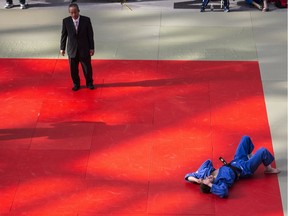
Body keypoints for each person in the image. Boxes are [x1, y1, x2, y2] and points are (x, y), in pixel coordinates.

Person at [184, 136, 280, 198]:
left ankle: (251, 157)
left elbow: (188, 176)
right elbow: (223, 192)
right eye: (208, 181)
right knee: (263, 151)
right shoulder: (221, 181)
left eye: (206, 178)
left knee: (245, 139)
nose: (208, 178)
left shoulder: (207, 173)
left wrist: (197, 180)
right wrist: (210, 184)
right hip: (245, 169)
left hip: (236, 160)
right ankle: (268, 169)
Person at [60, 3, 95, 91]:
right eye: (71, 13)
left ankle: (89, 83)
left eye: (75, 12)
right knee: (73, 70)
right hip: (72, 50)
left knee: (87, 68)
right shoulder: (65, 21)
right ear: (69, 13)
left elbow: (90, 35)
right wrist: (62, 48)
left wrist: (92, 48)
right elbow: (63, 35)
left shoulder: (86, 20)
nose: (74, 14)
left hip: (84, 49)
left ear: (78, 11)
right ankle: (76, 84)